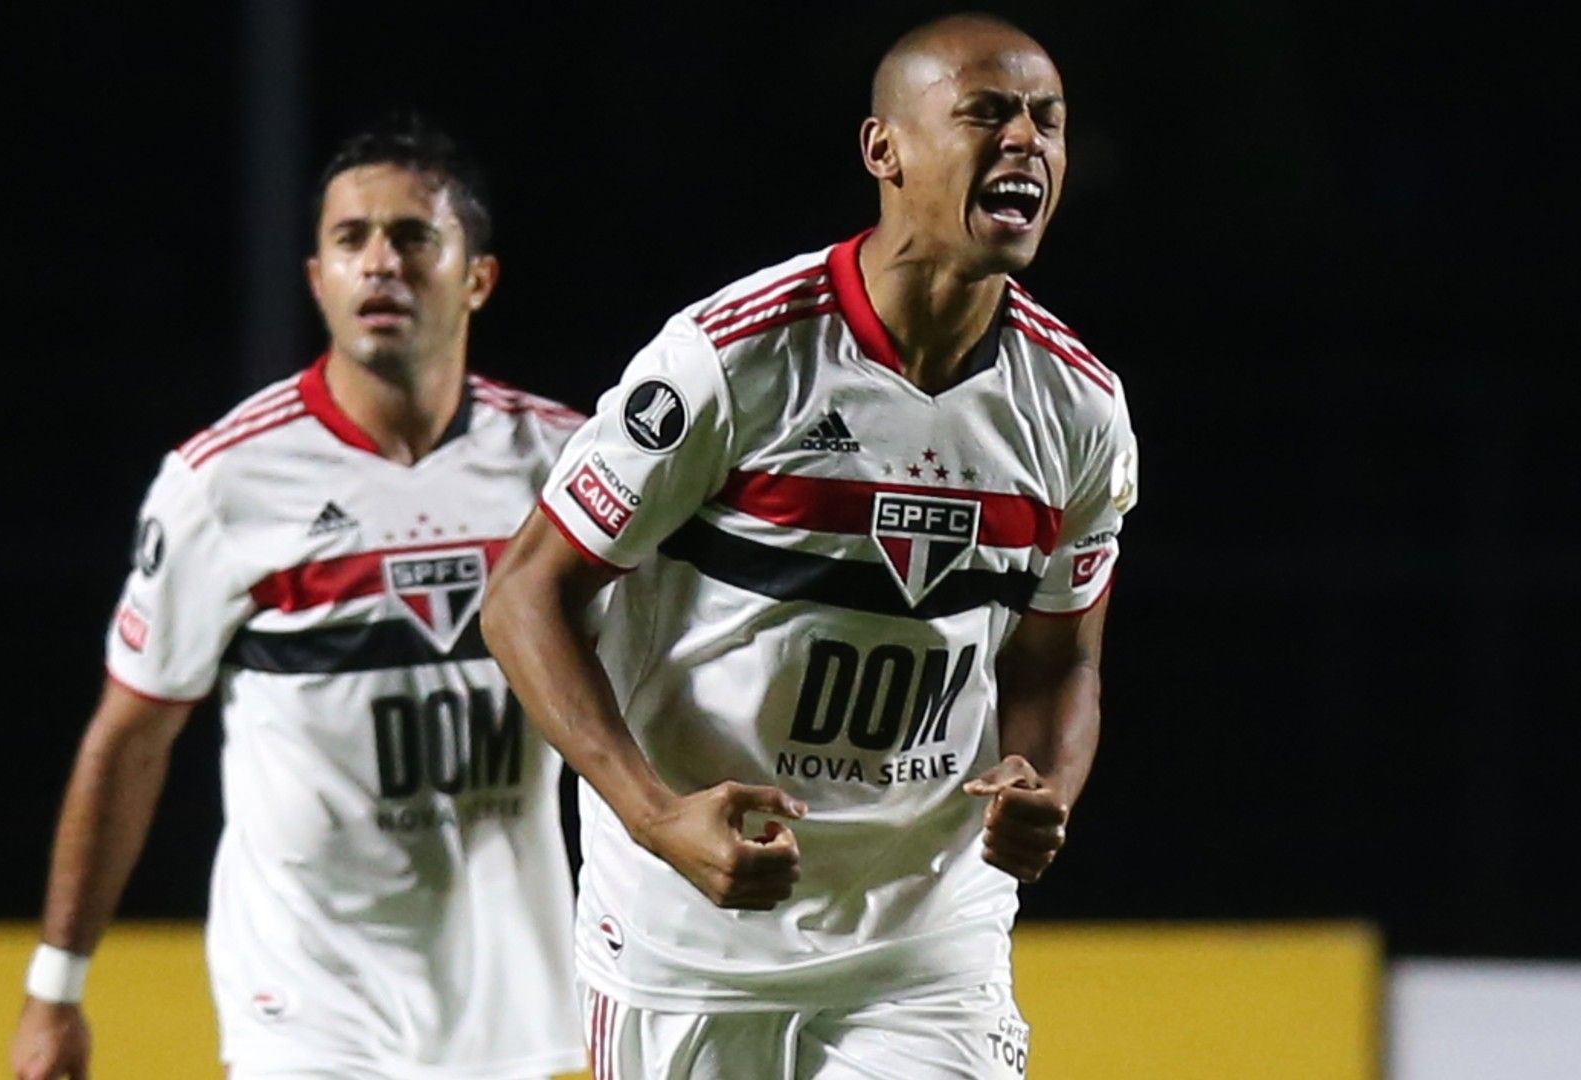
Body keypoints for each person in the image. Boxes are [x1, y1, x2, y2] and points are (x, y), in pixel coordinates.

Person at [481, 14, 1139, 1078]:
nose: (1026, 143)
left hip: (926, 943)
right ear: (885, 150)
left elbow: (1059, 658)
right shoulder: (732, 362)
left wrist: (1047, 781)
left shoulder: (1078, 409)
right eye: (986, 113)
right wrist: (657, 820)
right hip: (687, 938)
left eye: (1047, 122)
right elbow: (524, 600)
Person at [11, 117, 587, 1080]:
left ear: (477, 278)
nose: (380, 264)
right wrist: (56, 986)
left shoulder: (567, 465)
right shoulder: (224, 482)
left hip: (508, 1002)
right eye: (350, 239)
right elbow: (131, 737)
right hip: (307, 1003)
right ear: (317, 278)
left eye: (414, 237)